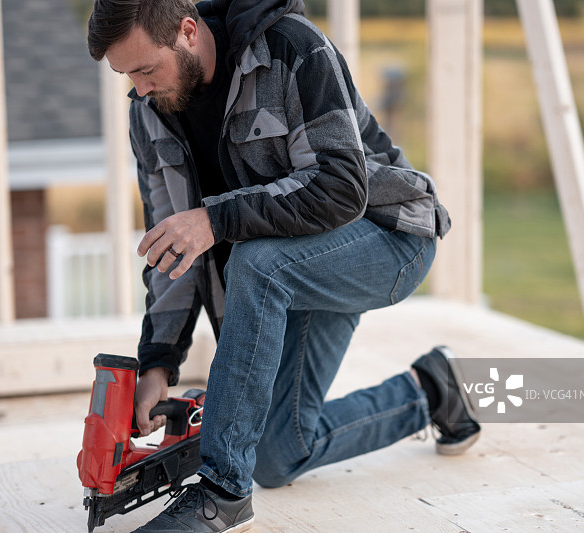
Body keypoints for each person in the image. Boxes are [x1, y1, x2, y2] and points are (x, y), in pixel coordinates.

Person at [87, 0, 480, 531]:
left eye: (145, 69)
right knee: (277, 453)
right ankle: (433, 390)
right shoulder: (148, 114)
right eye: (126, 75)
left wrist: (215, 219)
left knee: (256, 263)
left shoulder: (290, 49)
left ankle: (223, 492)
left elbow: (341, 188)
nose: (138, 88)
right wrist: (157, 363)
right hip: (295, 264)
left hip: (389, 236)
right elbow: (172, 246)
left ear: (186, 31)